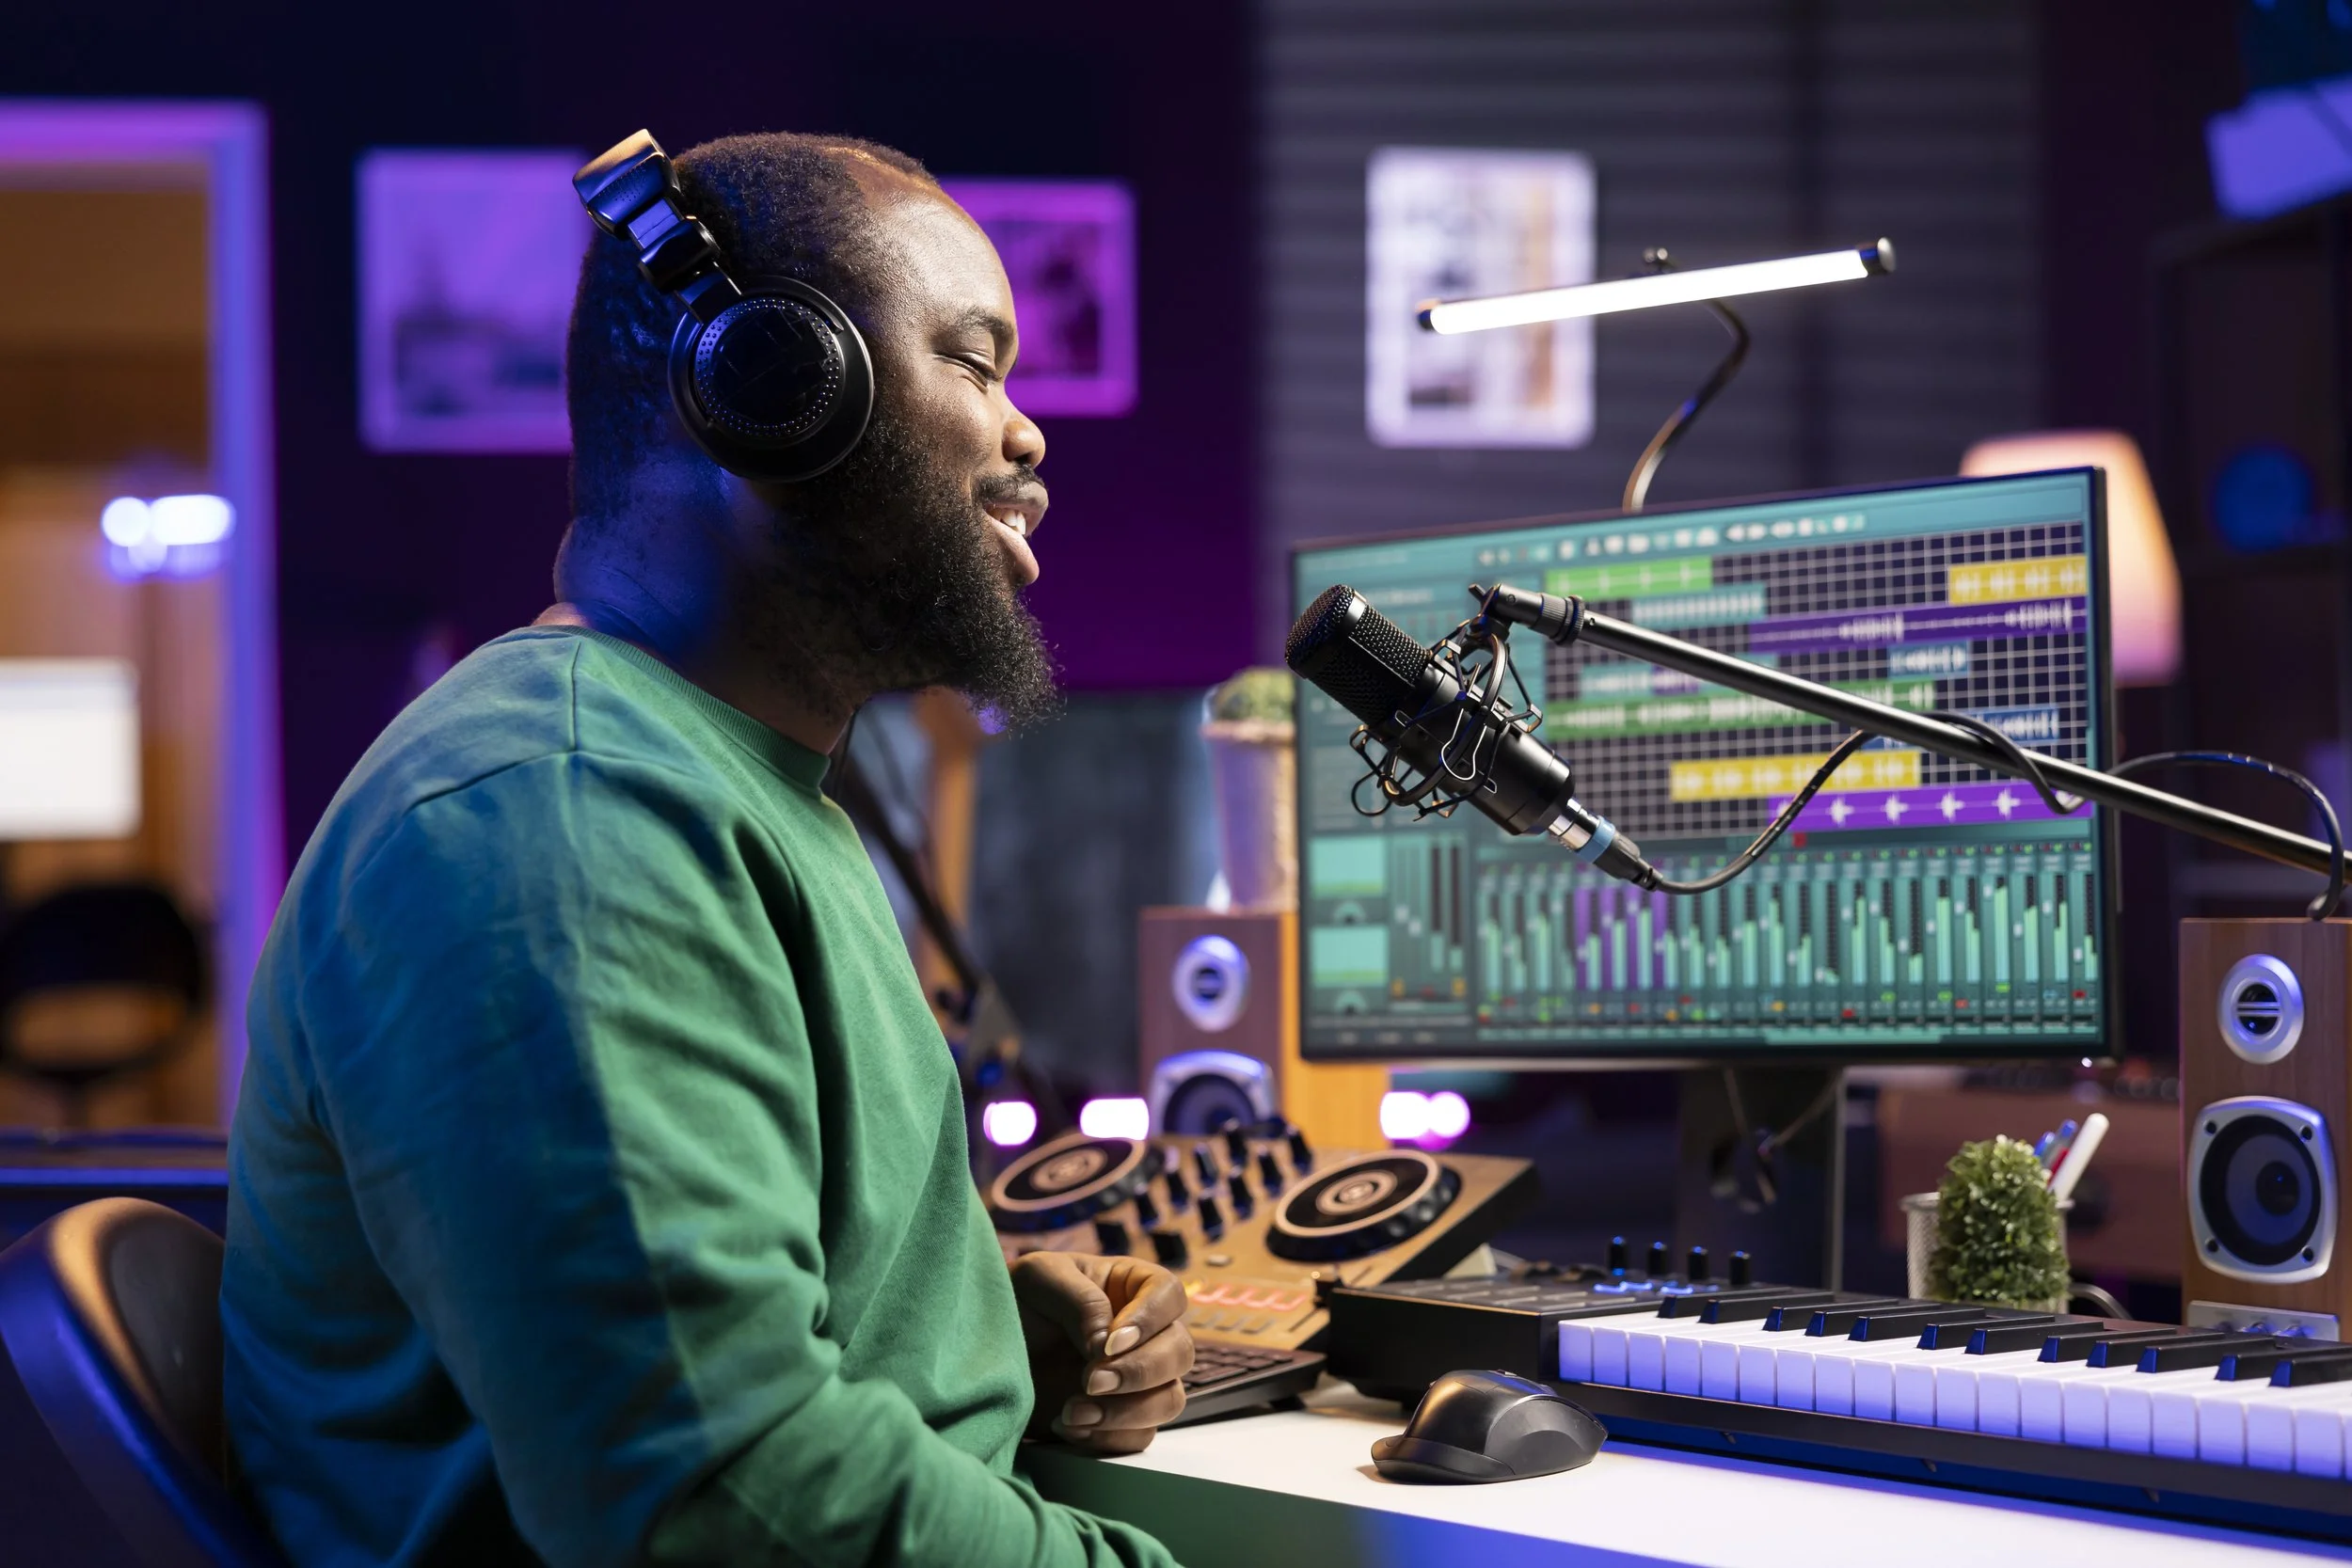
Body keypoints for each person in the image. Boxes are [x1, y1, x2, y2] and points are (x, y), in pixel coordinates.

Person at [222, 132, 1190, 1568]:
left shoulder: (730, 782)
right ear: (773, 393)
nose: (1025, 430)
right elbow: (721, 1498)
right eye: (972, 363)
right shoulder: (561, 812)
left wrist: (978, 1329)